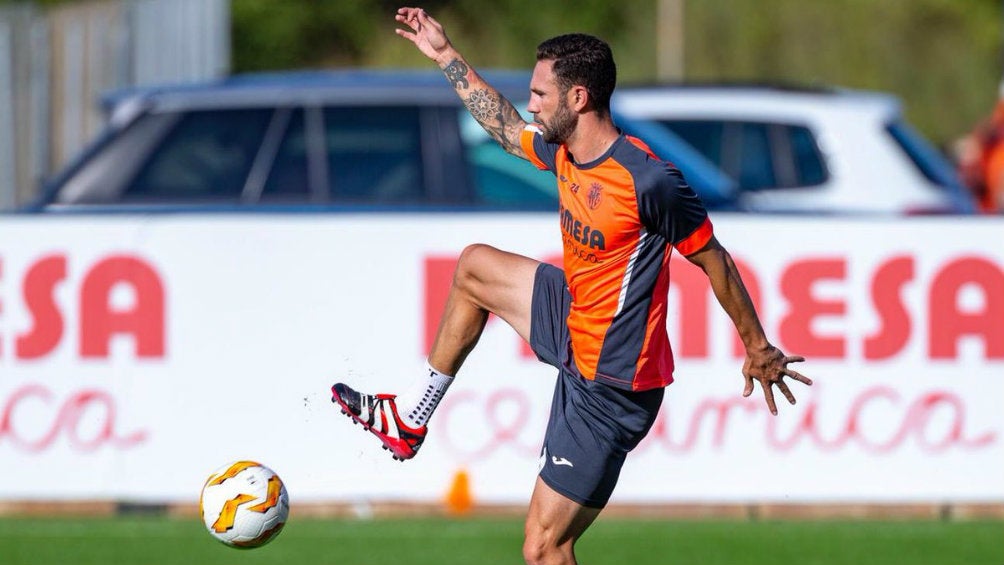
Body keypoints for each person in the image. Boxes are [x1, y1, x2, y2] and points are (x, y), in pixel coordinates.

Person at [331, 7, 812, 564]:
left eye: (540, 93)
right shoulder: (564, 152)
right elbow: (507, 129)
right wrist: (445, 54)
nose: (531, 104)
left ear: (578, 97)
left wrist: (757, 347)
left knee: (545, 548)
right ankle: (409, 423)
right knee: (474, 268)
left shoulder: (646, 178)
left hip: (613, 380)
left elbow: (715, 260)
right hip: (573, 318)